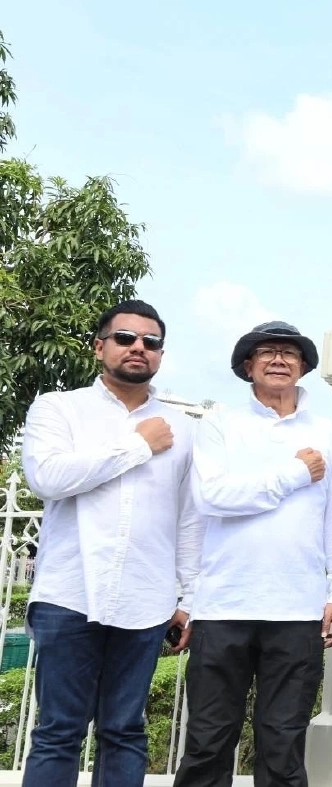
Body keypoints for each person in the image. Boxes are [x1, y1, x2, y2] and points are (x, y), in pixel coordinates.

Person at [20, 300, 200, 787]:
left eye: (151, 341)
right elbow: (48, 478)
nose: (138, 348)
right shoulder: (60, 408)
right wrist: (138, 445)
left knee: (125, 730)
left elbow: (188, 518)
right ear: (100, 347)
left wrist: (187, 598)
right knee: (59, 731)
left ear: (160, 354)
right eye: (125, 338)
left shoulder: (182, 428)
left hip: (146, 598)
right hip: (68, 593)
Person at [175, 321, 332, 787]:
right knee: (208, 739)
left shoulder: (330, 433)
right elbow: (211, 498)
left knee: (282, 741)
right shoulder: (220, 422)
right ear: (247, 366)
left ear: (303, 368)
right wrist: (295, 472)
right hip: (222, 606)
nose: (279, 359)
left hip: (298, 608)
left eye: (289, 353)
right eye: (268, 352)